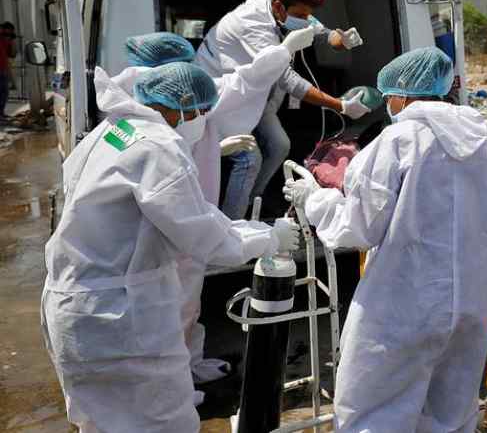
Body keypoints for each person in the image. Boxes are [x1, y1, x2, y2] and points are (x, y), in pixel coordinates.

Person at [41, 61, 300, 432]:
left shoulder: (116, 129)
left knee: (99, 422)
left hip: (73, 306)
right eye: (199, 112)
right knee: (165, 423)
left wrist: (243, 227)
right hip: (119, 320)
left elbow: (176, 213)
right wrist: (268, 236)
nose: (201, 121)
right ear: (176, 105)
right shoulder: (159, 149)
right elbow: (203, 238)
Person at [283, 47, 487, 432]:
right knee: (450, 411)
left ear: (402, 95)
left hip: (404, 305)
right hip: (471, 306)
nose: (387, 103)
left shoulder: (396, 142)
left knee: (375, 411)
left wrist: (313, 199)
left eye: (388, 95)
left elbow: (358, 228)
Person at [121, 31, 307, 386]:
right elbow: (198, 230)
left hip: (182, 228)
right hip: (171, 240)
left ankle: (190, 365)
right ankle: (178, 381)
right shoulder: (157, 139)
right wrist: (266, 236)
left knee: (187, 303)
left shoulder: (146, 114)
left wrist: (217, 148)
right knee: (173, 309)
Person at [196, 0, 367, 219]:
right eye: (301, 14)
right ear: (279, 6)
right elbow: (287, 79)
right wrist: (340, 106)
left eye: (308, 14)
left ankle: (253, 201)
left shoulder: (286, 9)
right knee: (249, 159)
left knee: (279, 145)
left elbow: (320, 31)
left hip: (251, 92)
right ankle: (231, 228)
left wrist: (341, 41)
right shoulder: (252, 24)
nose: (306, 19)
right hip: (220, 97)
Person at [0, 22, 17, 120]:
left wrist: (12, 40)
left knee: (4, 92)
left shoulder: (6, 41)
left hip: (3, 69)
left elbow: (13, 54)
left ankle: (1, 113)